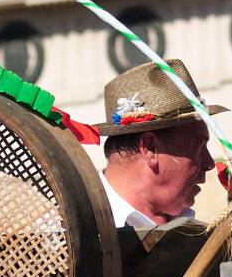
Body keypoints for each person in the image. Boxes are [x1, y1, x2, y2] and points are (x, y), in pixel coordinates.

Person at [95, 58, 222, 228]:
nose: (209, 163)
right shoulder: (71, 234)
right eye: (198, 147)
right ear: (150, 148)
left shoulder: (195, 233)